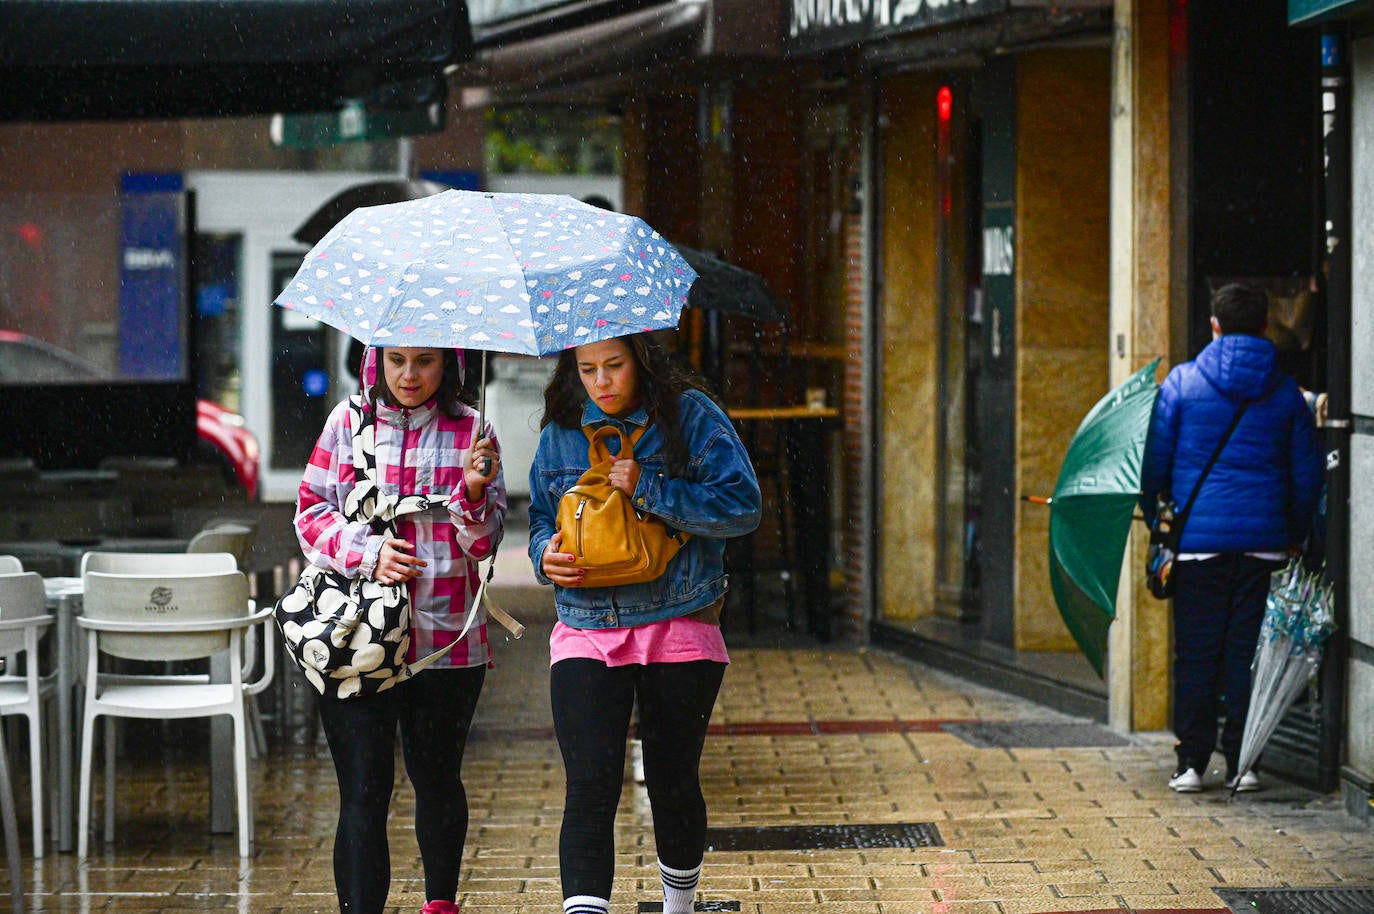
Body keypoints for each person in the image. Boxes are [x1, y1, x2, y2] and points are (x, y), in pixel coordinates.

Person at [527, 333, 761, 914]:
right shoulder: (561, 429)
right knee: (590, 784)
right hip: (586, 623)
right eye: (587, 369)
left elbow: (743, 507)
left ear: (642, 361)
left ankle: (679, 907)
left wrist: (650, 487)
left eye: (614, 365)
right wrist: (543, 555)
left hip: (678, 617)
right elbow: (540, 517)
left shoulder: (691, 417)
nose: (601, 382)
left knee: (670, 778)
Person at [294, 345, 506, 914]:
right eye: (396, 361)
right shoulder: (346, 422)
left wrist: (475, 492)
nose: (409, 375)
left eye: (425, 361)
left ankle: (440, 905)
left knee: (437, 779)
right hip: (356, 640)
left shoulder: (474, 431)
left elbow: (484, 544)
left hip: (446, 642)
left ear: (450, 363)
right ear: (375, 360)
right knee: (363, 790)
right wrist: (369, 554)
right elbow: (310, 514)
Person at [1140, 282, 1322, 794]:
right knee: (1248, 653)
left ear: (1214, 325)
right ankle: (1245, 763)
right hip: (1264, 544)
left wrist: (1160, 521)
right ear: (1266, 326)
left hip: (1197, 546)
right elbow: (1307, 477)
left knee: (1196, 654)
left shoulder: (1181, 384)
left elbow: (1153, 468)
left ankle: (1191, 764)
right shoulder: (1286, 394)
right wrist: (1292, 532)